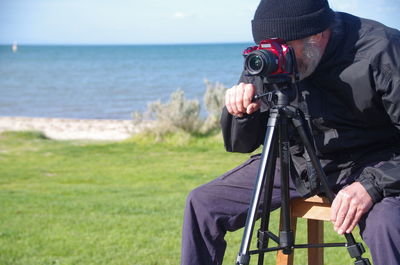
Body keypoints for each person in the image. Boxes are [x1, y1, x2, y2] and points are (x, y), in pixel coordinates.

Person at [180, 0, 400, 264]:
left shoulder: (382, 49)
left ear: (317, 35)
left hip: (373, 162)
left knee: (387, 223)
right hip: (297, 161)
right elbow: (242, 144)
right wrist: (240, 114)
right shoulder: (272, 56)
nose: (276, 57)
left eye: (284, 48)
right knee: (202, 204)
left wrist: (372, 185)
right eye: (268, 47)